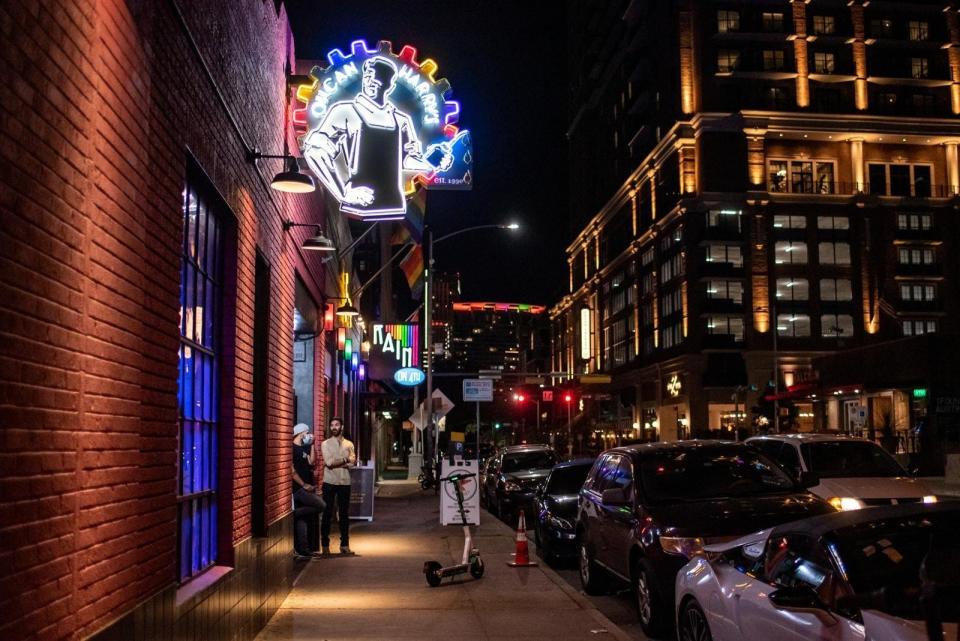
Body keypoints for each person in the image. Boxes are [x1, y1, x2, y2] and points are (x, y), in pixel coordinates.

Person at [302, 56, 453, 218]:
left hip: (394, 204)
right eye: (368, 76)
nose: (372, 81)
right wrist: (343, 192)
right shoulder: (344, 111)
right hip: (358, 203)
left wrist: (432, 162)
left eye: (379, 77)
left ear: (390, 84)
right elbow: (315, 150)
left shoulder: (402, 119)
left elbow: (407, 159)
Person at [320, 417, 356, 554]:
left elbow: (353, 462)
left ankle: (345, 544)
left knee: (344, 514)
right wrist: (346, 460)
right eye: (332, 425)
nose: (334, 427)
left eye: (336, 425)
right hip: (329, 482)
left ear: (342, 427)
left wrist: (343, 462)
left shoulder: (349, 444)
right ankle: (325, 545)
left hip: (345, 482)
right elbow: (329, 463)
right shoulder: (326, 444)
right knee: (327, 513)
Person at [292, 423, 325, 559]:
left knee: (303, 519)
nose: (309, 435)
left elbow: (312, 462)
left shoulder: (304, 448)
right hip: (299, 488)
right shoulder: (292, 449)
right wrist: (304, 484)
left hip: (306, 486)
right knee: (321, 505)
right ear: (301, 433)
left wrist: (312, 445)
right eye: (307, 432)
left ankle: (303, 549)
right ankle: (292, 514)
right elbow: (292, 471)